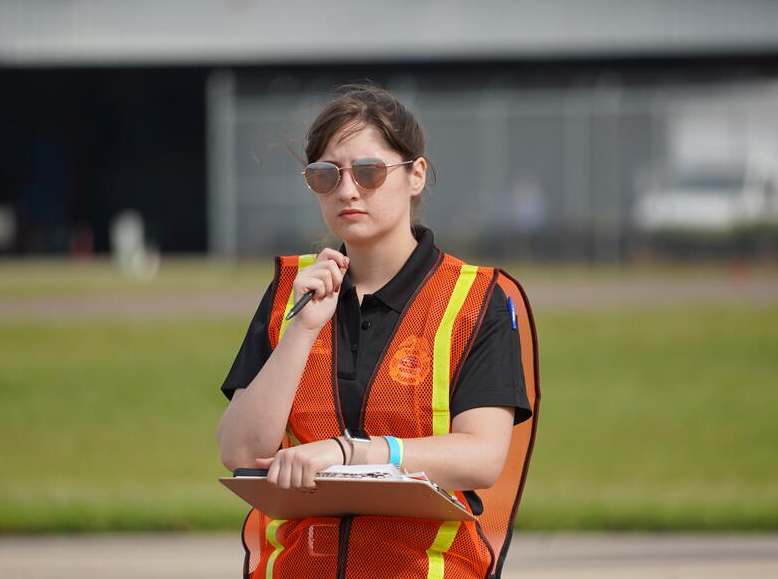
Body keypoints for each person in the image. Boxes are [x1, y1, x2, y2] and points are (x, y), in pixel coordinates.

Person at [218, 84, 539, 579]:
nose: (347, 190)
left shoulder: (477, 299)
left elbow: (482, 456)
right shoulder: (291, 291)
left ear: (416, 175)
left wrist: (350, 454)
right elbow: (240, 451)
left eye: (368, 172)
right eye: (326, 175)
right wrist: (302, 329)